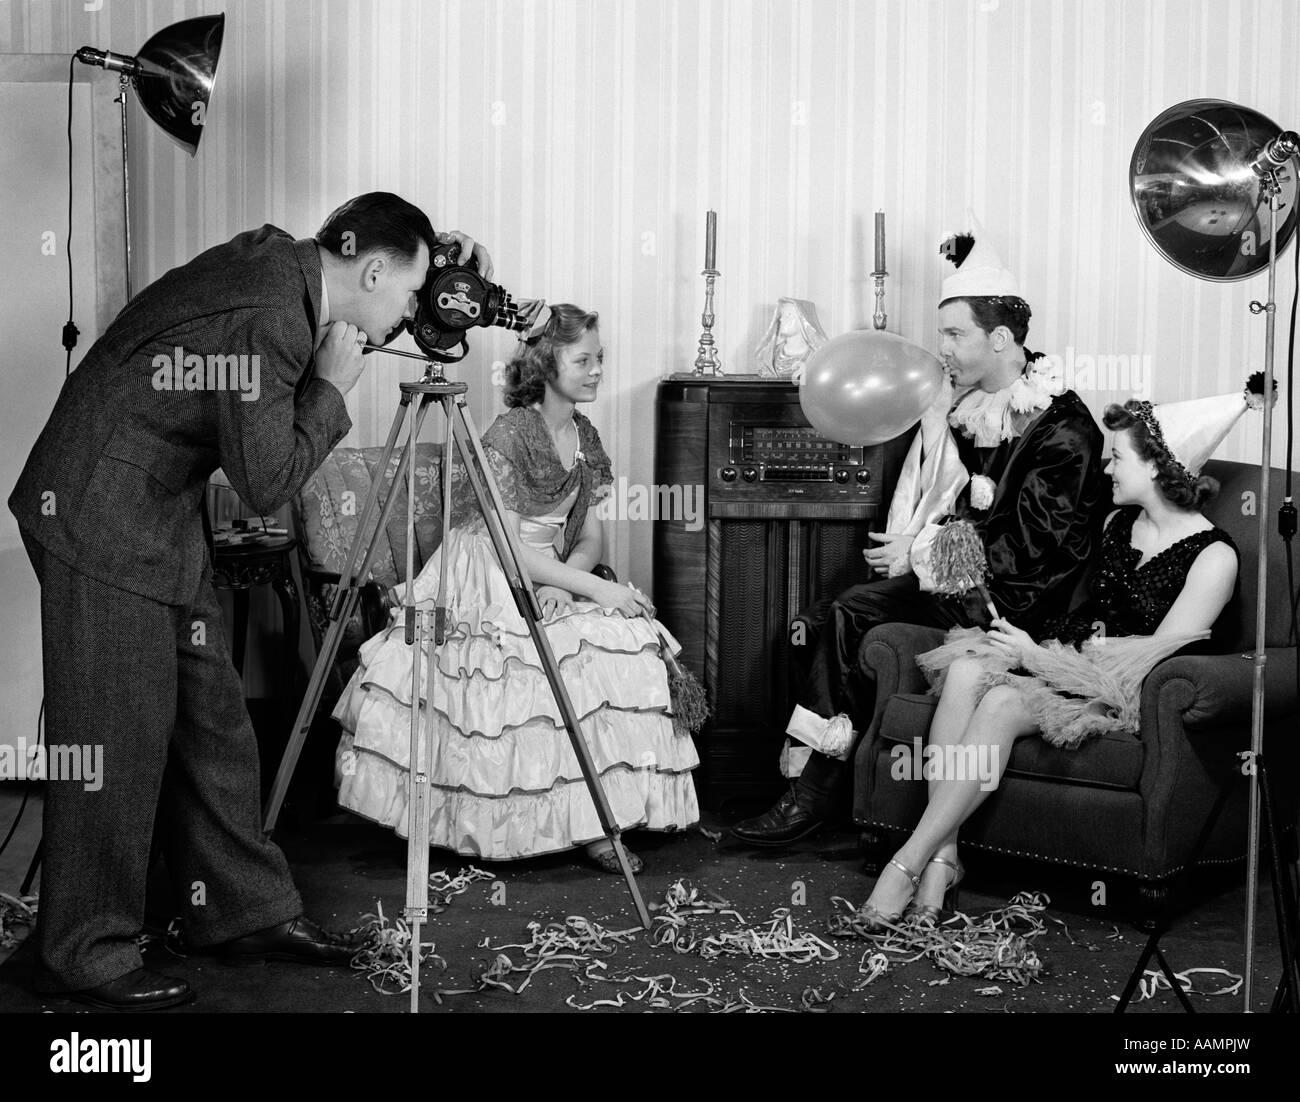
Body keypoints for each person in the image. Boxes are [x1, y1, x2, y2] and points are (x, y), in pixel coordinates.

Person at [8, 192, 491, 1010]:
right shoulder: (274, 317)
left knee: (213, 720)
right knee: (114, 735)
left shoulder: (289, 271)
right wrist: (333, 387)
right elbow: (267, 482)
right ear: (372, 271)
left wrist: (443, 268)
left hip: (154, 507)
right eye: (412, 297)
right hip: (98, 511)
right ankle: (83, 951)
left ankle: (240, 912)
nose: (411, 321)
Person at [733, 215, 1107, 846]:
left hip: (1023, 608)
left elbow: (1027, 552)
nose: (944, 349)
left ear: (1002, 339)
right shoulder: (971, 410)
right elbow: (957, 501)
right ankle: (815, 789)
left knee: (851, 610)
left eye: (955, 334)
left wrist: (922, 550)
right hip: (969, 586)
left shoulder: (1065, 431)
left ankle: (816, 799)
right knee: (843, 610)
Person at [853, 383, 1258, 926]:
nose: (1106, 469)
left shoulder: (1214, 557)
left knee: (999, 702)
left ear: (1160, 467)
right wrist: (1025, 639)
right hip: (1073, 657)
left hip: (1124, 691)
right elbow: (1075, 608)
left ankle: (908, 861)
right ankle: (945, 859)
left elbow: (1148, 664)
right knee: (968, 667)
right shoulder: (1120, 525)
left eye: (1117, 458)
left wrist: (1037, 660)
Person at [333, 304, 699, 872]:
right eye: (583, 359)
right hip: (488, 569)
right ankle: (508, 823)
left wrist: (568, 584)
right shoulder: (509, 432)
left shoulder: (584, 435)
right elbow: (505, 544)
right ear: (545, 364)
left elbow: (590, 536)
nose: (598, 369)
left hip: (547, 569)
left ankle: (602, 821)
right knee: (524, 673)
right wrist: (593, 589)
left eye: (600, 358)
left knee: (624, 647)